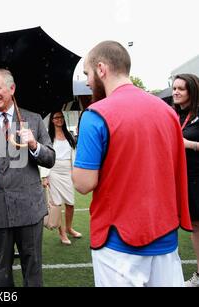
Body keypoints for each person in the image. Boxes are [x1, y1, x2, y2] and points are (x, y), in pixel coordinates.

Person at [72, 40, 192, 287]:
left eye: (87, 73)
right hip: (165, 234)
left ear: (101, 69)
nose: (87, 81)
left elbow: (84, 184)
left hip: (117, 243)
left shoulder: (95, 114)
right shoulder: (167, 111)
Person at [0, 68, 56, 287]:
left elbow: (50, 159)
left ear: (12, 88)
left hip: (30, 208)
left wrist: (34, 145)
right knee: (2, 271)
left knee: (32, 269)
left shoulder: (34, 120)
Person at [172, 74, 199, 287]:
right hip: (184, 179)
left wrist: (188, 144)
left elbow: (184, 144)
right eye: (174, 88)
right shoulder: (177, 116)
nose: (175, 92)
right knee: (194, 228)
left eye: (181, 88)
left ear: (192, 90)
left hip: (197, 179)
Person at [40, 111, 81, 245]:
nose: (59, 120)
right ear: (52, 120)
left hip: (68, 171)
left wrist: (75, 172)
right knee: (56, 204)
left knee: (70, 203)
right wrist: (45, 176)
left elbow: (74, 155)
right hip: (54, 172)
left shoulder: (69, 135)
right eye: (56, 117)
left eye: (61, 117)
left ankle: (69, 228)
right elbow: (45, 156)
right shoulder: (48, 136)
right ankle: (62, 233)